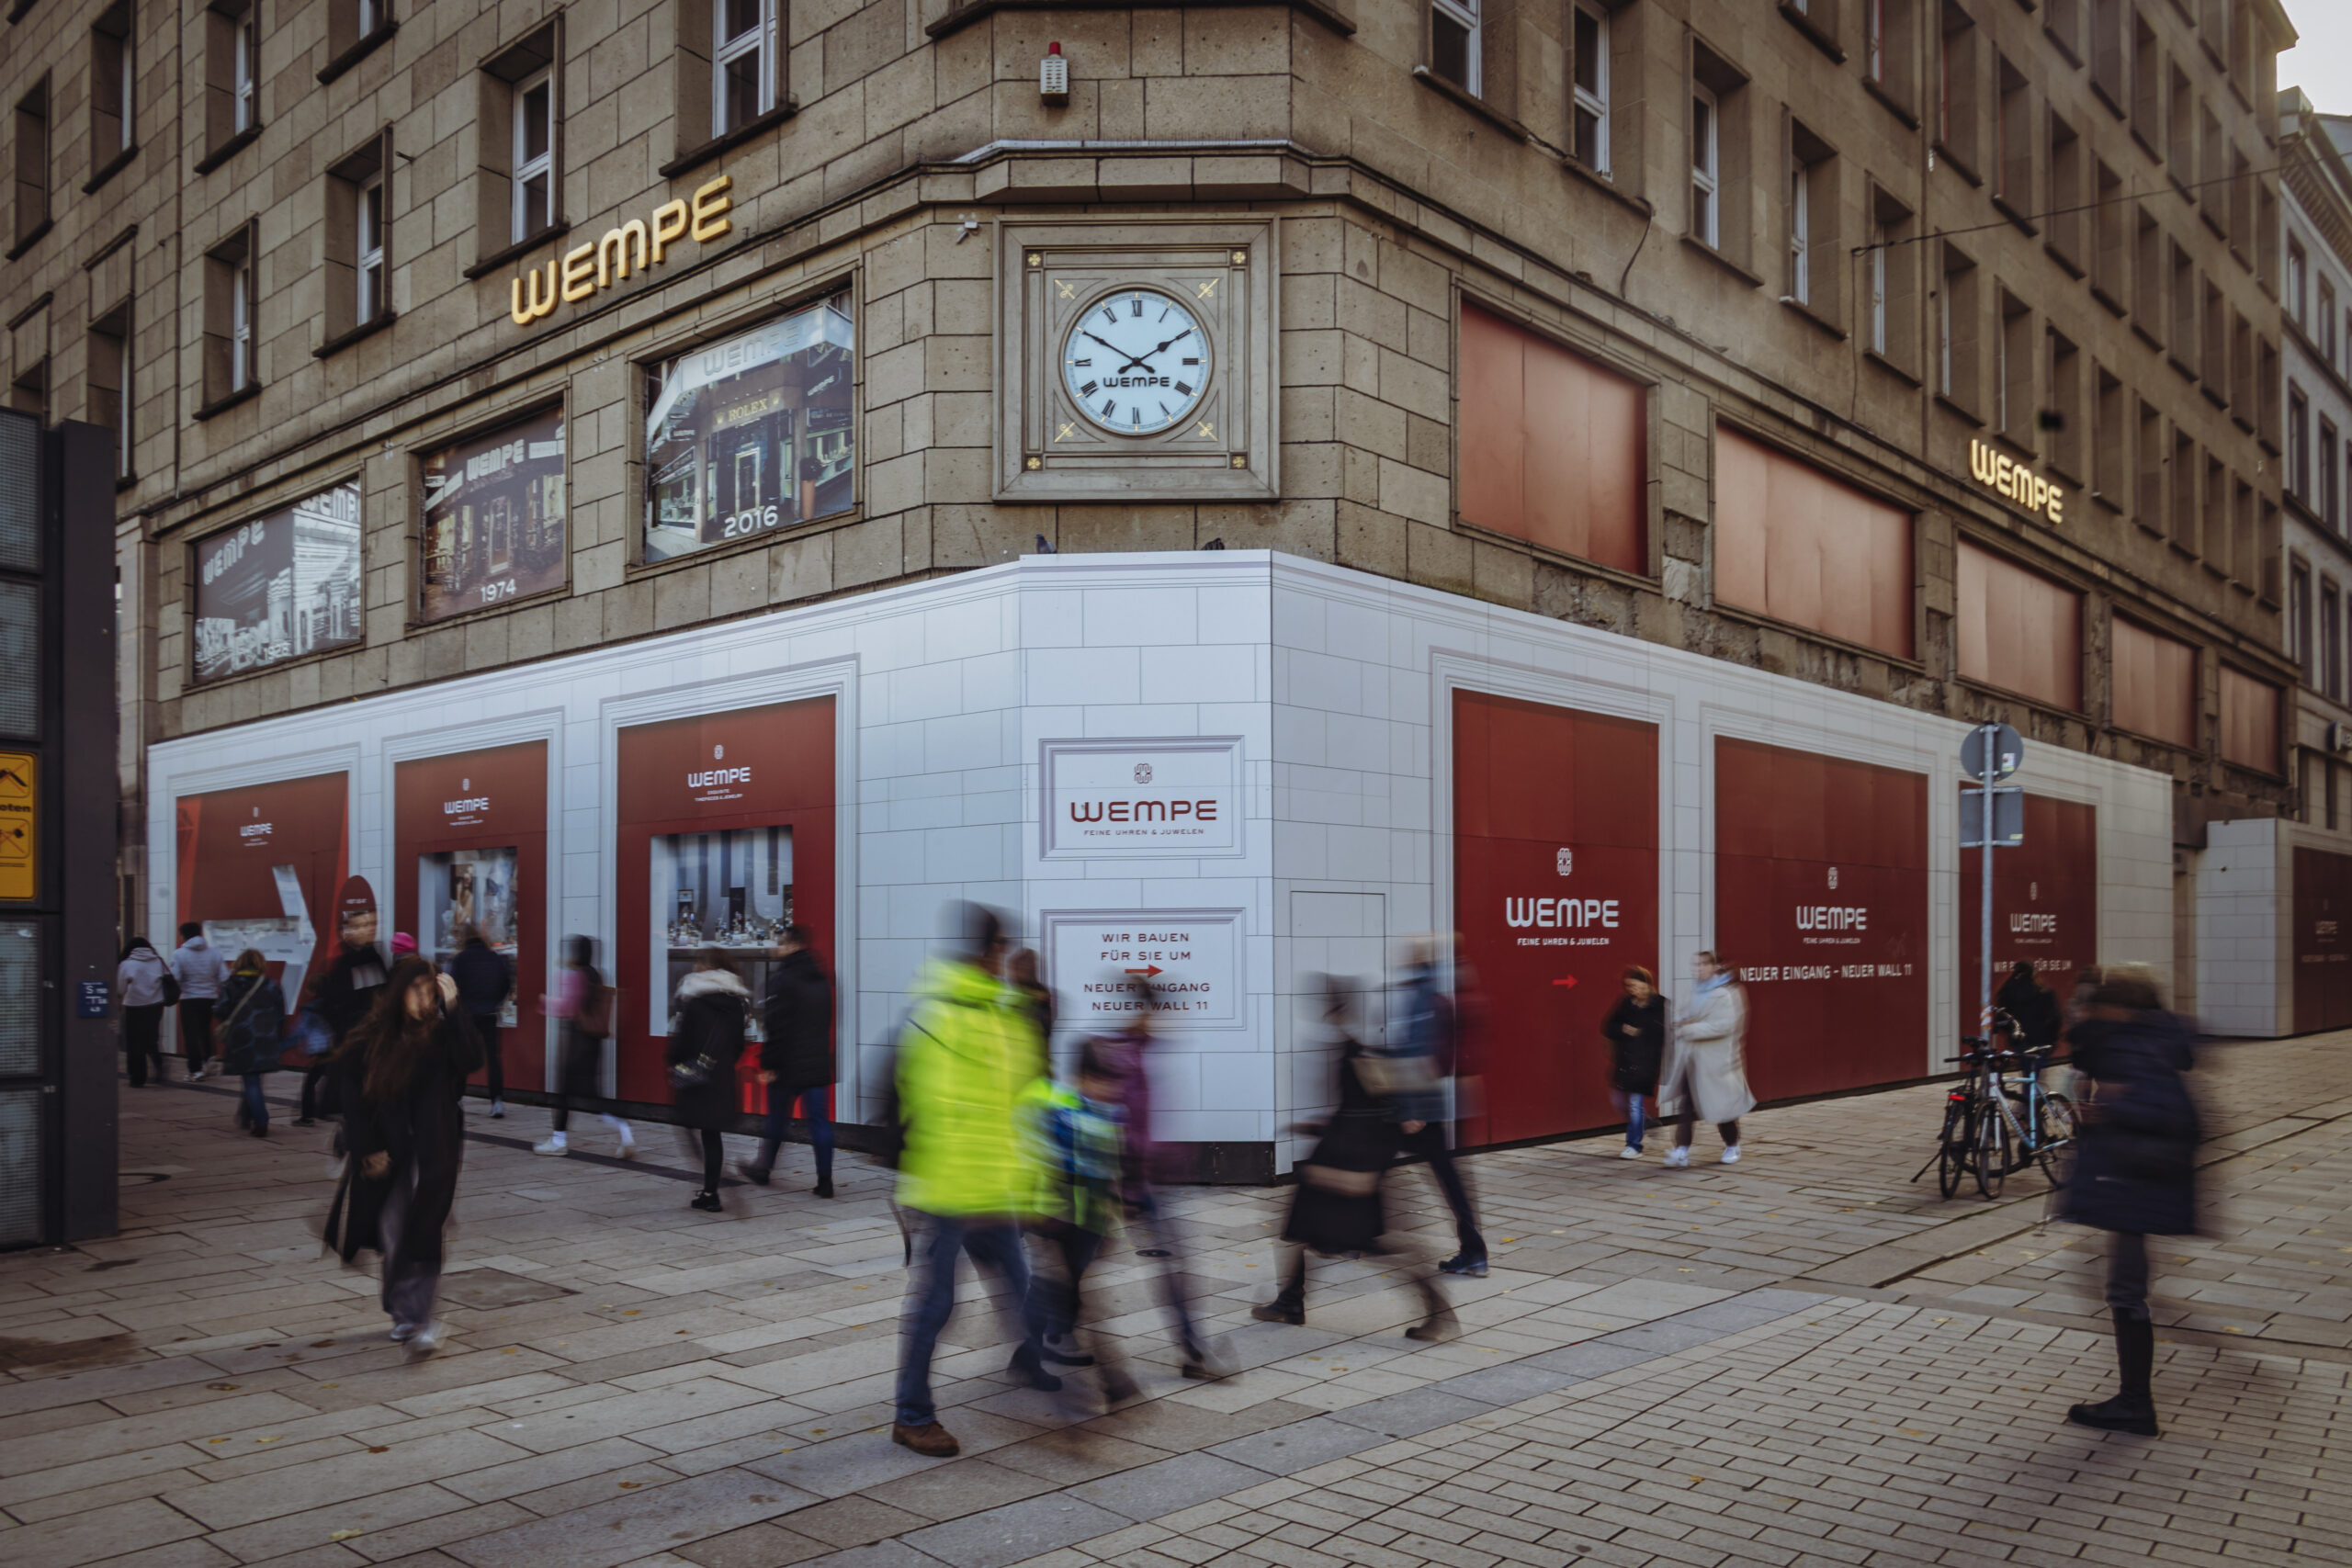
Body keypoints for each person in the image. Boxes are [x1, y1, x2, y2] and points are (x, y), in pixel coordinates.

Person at [890, 903, 1057, 1460]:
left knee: (1022, 1284)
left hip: (994, 1186)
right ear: (988, 952)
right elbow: (929, 1107)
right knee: (937, 1304)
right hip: (947, 1192)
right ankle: (912, 1416)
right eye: (1002, 947)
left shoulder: (1005, 1017)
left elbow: (1023, 1102)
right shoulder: (937, 1018)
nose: (1006, 956)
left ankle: (1030, 1359)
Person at [1252, 977, 1455, 1341]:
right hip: (1338, 1156)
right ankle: (1290, 1301)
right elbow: (1358, 1111)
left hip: (1350, 1166)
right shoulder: (1346, 1049)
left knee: (1382, 1243)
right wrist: (1317, 1127)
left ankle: (1440, 1314)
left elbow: (1385, 1116)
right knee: (1302, 1229)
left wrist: (1366, 1171)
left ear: (1334, 1007)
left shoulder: (1357, 1053)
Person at [2060, 964, 2201, 1438]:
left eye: (2101, 1006)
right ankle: (2134, 1401)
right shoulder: (2148, 1043)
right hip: (2138, 1183)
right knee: (2125, 1289)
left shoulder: (2139, 1048)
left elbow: (2172, 1115)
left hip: (2138, 1184)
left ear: (2121, 1009)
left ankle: (2136, 1405)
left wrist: (2111, 1110)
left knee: (2125, 1291)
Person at [326, 955, 482, 1357]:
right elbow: (353, 1100)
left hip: (435, 1151)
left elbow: (472, 1061)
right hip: (389, 1153)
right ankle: (402, 1311)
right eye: (417, 990)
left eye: (431, 989)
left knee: (426, 1230)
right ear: (398, 993)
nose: (425, 998)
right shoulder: (372, 1039)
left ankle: (420, 1317)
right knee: (394, 1234)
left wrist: (456, 1008)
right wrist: (365, 1149)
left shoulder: (443, 1034)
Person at [1081, 977, 1219, 1379]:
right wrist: (1122, 1185)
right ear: (1140, 1012)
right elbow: (1118, 1128)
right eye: (1157, 1012)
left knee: (1173, 1264)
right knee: (1080, 1267)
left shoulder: (1140, 1050)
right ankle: (1042, 1338)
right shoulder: (1115, 1057)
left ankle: (1194, 1349)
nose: (1164, 1022)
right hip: (1114, 1184)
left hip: (1143, 1183)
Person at [1022, 1045, 1137, 1406]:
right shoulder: (1061, 1111)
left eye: (1115, 1083)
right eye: (1103, 1082)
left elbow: (1110, 1166)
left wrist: (1112, 1214)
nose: (1111, 1090)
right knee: (1073, 1292)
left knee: (1065, 1288)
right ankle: (1112, 1380)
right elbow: (1038, 1158)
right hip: (1057, 1214)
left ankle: (1031, 1352)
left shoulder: (1114, 1113)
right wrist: (1040, 1208)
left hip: (1091, 1217)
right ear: (1081, 1079)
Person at [1375, 939, 1486, 1277]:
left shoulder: (1426, 997)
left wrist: (1412, 1110)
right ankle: (1474, 1252)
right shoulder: (1438, 992)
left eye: (1411, 954)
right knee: (1446, 1177)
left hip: (1420, 1107)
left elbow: (1420, 1053)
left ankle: (1473, 1251)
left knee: (1373, 1165)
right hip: (1429, 1103)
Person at [740, 926, 836, 1196]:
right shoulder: (820, 977)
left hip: (788, 1064)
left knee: (777, 1120)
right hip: (816, 1061)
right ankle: (825, 1181)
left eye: (780, 943)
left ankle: (763, 1169)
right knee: (820, 1122)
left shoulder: (783, 979)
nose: (777, 948)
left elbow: (776, 1026)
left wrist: (769, 1063)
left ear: (792, 945)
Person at [537, 934, 635, 1158]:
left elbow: (568, 1007)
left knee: (562, 1093)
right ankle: (624, 1130)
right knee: (593, 1096)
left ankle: (558, 1141)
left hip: (576, 1043)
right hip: (593, 1043)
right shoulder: (596, 975)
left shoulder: (578, 976)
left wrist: (545, 1001)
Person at [669, 946, 750, 1213]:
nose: (694, 967)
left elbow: (682, 1043)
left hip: (697, 1077)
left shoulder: (694, 1001)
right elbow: (740, 1044)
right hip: (721, 1076)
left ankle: (710, 1191)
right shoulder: (737, 1002)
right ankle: (710, 1191)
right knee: (711, 1134)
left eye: (698, 963)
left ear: (706, 967)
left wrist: (674, 1061)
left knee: (690, 1128)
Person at [1659, 951, 1755, 1167]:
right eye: (1696, 964)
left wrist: (1690, 1027)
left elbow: (1724, 1025)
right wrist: (1679, 1023)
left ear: (1714, 967)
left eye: (1703, 965)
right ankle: (1681, 1150)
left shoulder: (1726, 994)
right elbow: (1679, 1014)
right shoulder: (1692, 991)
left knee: (1722, 1108)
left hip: (1715, 1062)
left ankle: (1732, 1144)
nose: (1698, 969)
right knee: (1686, 1107)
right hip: (1691, 1060)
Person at [306, 910, 390, 1126]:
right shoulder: (344, 964)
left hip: (374, 1038)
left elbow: (383, 994)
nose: (370, 929)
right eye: (361, 925)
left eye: (371, 923)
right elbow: (334, 1003)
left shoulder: (375, 958)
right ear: (346, 932)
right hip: (354, 1039)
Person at [215, 949, 287, 1136]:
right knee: (253, 1078)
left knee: (251, 1080)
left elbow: (221, 1010)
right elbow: (280, 1014)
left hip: (242, 1038)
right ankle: (247, 1115)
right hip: (265, 1038)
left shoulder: (230, 984)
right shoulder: (271, 985)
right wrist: (277, 1036)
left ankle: (261, 1121)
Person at [1601, 965, 1668, 1159]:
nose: (1632, 990)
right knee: (1619, 1101)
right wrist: (1623, 1028)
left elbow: (1662, 1033)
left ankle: (1634, 1145)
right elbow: (1608, 1026)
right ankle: (1646, 1122)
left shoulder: (1660, 1004)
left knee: (1634, 1104)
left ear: (1647, 984)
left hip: (1646, 1063)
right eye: (1629, 986)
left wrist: (1641, 1031)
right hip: (1625, 1061)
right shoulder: (1626, 1003)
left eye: (1636, 986)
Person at [448, 924, 514, 1118]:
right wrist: (495, 1003)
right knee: (493, 1059)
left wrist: (458, 1009)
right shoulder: (493, 957)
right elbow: (506, 983)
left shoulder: (460, 959)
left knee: (462, 1058)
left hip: (467, 1015)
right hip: (489, 1014)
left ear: (463, 939)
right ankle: (497, 1102)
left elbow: (453, 987)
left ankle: (458, 1099)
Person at [170, 921, 227, 1079]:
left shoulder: (179, 954)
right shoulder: (215, 953)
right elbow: (224, 977)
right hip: (210, 998)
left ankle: (195, 1069)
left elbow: (176, 977)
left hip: (189, 998)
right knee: (205, 1030)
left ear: (184, 935)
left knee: (191, 1035)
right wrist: (213, 986)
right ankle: (209, 1058)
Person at [116, 937, 172, 1087]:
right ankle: (159, 1067)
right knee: (151, 1039)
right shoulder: (158, 961)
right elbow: (168, 979)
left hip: (134, 1006)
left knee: (135, 1043)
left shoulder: (126, 964)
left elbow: (120, 989)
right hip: (155, 1005)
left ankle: (137, 1078)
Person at [1005, 947, 1054, 1078]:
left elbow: (1040, 1030)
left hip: (1035, 1069)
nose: (1012, 974)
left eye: (1017, 968)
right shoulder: (1012, 996)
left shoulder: (1042, 999)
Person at [1996, 960, 2063, 1052]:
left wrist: (2012, 1033)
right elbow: (2055, 1018)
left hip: (2019, 1041)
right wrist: (2052, 1038)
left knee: (2024, 1062)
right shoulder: (2045, 993)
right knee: (2034, 1064)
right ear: (2033, 973)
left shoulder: (2007, 993)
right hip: (2041, 1041)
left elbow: (2002, 1018)